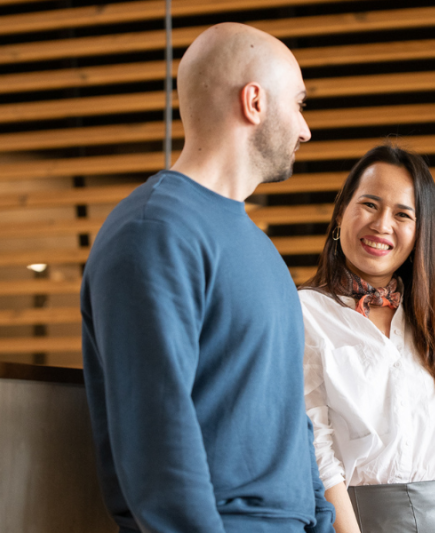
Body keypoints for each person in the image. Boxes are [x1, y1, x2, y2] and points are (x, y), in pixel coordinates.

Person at [81, 23, 334, 533]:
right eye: (299, 104)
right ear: (255, 102)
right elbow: (156, 438)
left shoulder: (261, 249)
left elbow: (288, 418)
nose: (306, 130)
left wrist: (323, 520)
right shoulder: (154, 232)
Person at [299, 145, 435, 532]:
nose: (382, 225)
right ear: (342, 211)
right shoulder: (304, 312)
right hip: (352, 518)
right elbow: (315, 446)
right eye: (369, 205)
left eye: (402, 214)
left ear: (419, 234)